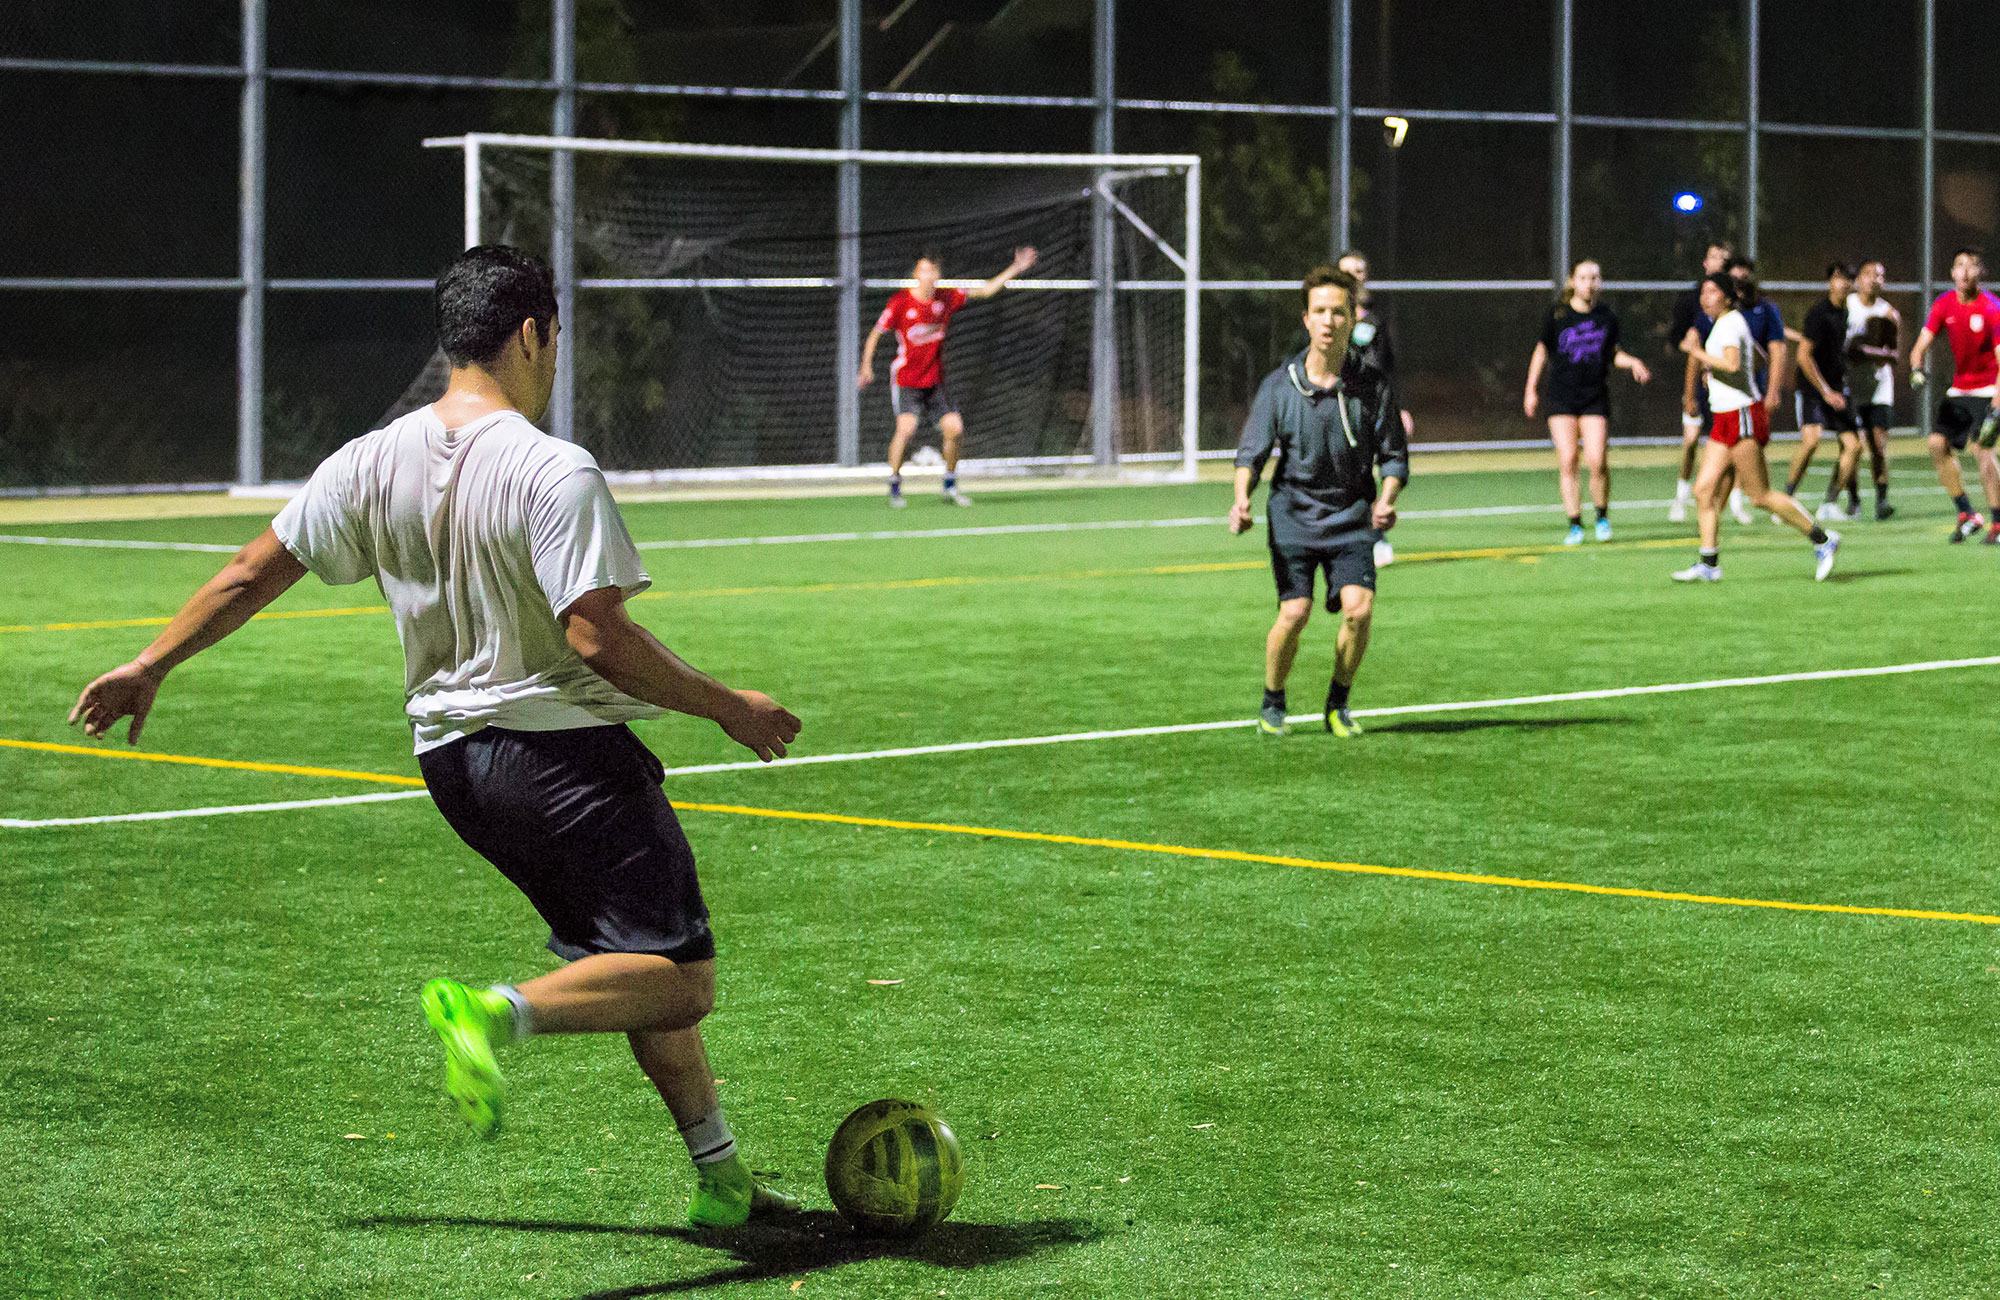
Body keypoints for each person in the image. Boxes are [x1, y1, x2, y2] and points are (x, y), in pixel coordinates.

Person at [64, 246, 807, 1229]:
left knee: (629, 967)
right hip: (562, 756)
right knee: (681, 981)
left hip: (456, 768)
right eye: (554, 339)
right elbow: (597, 635)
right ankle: (496, 1012)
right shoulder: (553, 467)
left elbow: (250, 570)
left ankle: (720, 1184)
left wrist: (149, 663)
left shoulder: (368, 459)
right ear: (533, 333)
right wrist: (728, 705)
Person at [1230, 266, 1407, 738]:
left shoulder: (1373, 387)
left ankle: (1337, 704)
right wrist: (1241, 500)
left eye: (1338, 312)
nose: (1329, 321)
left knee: (1359, 609)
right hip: (1292, 513)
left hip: (1351, 514)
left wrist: (1386, 499)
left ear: (1353, 319)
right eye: (1320, 312)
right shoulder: (1279, 386)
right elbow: (1252, 453)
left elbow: (1393, 457)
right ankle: (1273, 699)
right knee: (1295, 612)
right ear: (1306, 319)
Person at [1673, 271, 1840, 582]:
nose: (1704, 297)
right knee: (1704, 490)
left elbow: (1734, 364)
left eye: (1711, 292)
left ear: (1726, 296)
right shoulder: (1731, 323)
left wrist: (1697, 355)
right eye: (1703, 292)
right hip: (1725, 416)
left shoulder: (1728, 324)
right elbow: (1757, 360)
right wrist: (1717, 376)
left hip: (1740, 416)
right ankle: (1709, 565)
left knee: (1760, 496)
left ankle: (1823, 540)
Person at [857, 247, 1038, 508]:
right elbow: (875, 334)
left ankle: (950, 486)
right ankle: (895, 485)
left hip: (935, 381)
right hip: (907, 380)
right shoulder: (900, 303)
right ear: (916, 274)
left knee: (955, 428)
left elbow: (986, 290)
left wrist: (1015, 268)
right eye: (923, 270)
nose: (928, 275)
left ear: (938, 274)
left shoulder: (946, 299)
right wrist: (866, 367)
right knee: (906, 430)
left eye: (933, 270)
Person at [1523, 258, 1652, 543]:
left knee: (1597, 460)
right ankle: (1575, 524)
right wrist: (1530, 388)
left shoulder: (1607, 317)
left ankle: (1602, 517)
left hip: (1594, 396)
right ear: (1572, 281)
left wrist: (1632, 362)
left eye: (1594, 278)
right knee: (1568, 460)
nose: (1589, 283)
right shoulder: (1557, 315)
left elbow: (1611, 353)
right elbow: (1541, 351)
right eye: (1583, 278)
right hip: (1561, 398)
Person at [1907, 247, 2000, 542]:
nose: (1965, 271)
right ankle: (1967, 513)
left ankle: (1998, 524)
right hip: (1959, 390)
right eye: (1959, 265)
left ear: (1980, 272)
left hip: (1988, 391)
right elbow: (1919, 347)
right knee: (1936, 444)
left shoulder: (1991, 308)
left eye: (1971, 266)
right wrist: (1916, 369)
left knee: (1982, 451)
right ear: (1952, 273)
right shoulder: (1944, 304)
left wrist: (1996, 407)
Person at [1336, 250, 1417, 568]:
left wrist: (1402, 407)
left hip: (1374, 405)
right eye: (1348, 271)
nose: (1356, 275)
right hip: (1339, 404)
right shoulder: (1328, 316)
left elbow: (1390, 366)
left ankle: (1377, 536)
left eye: (1360, 270)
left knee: (1373, 470)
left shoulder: (1374, 319)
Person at [1779, 262, 1864, 522]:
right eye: (1839, 278)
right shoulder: (1819, 314)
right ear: (1830, 282)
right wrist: (1825, 391)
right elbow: (1804, 357)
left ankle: (1829, 503)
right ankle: (1786, 500)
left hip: (1837, 388)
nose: (1844, 283)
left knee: (1854, 446)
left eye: (1849, 278)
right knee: (1811, 441)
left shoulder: (1848, 313)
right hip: (1814, 389)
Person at [1670, 241, 1734, 522]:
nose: (1718, 262)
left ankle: (1735, 502)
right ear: (1704, 264)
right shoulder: (1694, 307)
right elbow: (1686, 347)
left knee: (1732, 448)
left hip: (1727, 388)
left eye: (1724, 258)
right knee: (1691, 441)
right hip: (1699, 385)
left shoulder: (1733, 314)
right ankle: (1680, 497)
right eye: (1713, 257)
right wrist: (1690, 394)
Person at [1845, 259, 1900, 520]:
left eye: (1880, 275)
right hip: (1852, 384)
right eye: (1868, 274)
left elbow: (1895, 355)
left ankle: (1882, 499)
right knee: (1853, 446)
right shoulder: (1847, 307)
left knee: (1878, 445)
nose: (1874, 279)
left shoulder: (1889, 314)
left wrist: (1870, 352)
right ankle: (1853, 499)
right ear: (1858, 280)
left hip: (1879, 385)